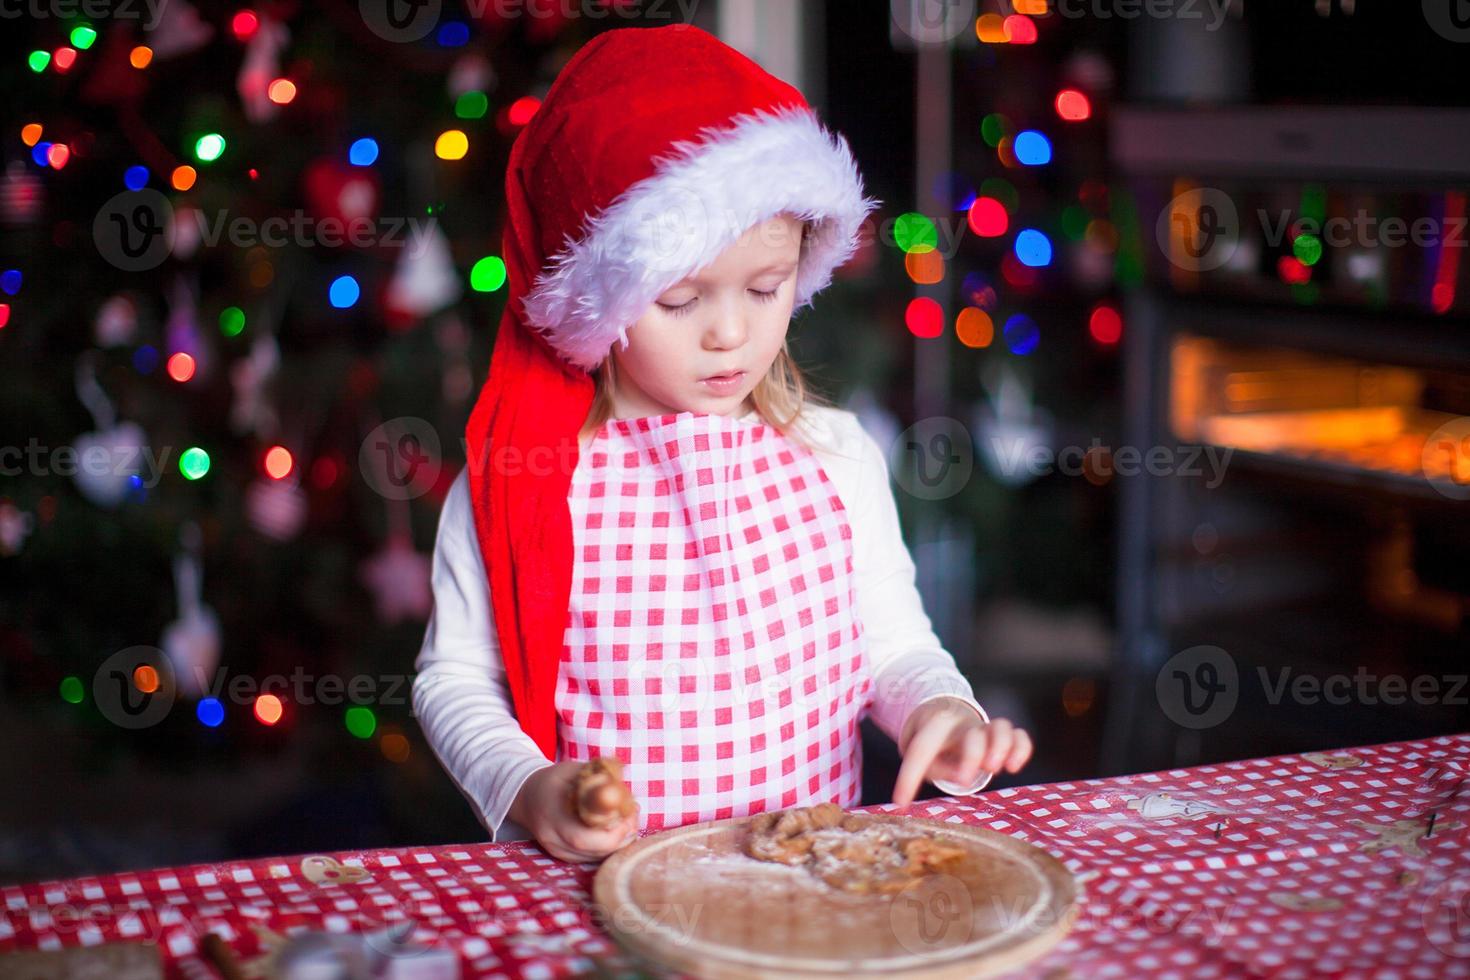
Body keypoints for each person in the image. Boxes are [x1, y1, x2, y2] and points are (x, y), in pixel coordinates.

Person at [413, 23, 1031, 865]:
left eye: (767, 287)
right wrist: (526, 783)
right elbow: (455, 681)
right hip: (618, 899)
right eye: (678, 300)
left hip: (810, 888)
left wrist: (937, 710)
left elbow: (893, 644)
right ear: (603, 295)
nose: (731, 333)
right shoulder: (524, 484)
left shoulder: (837, 456)